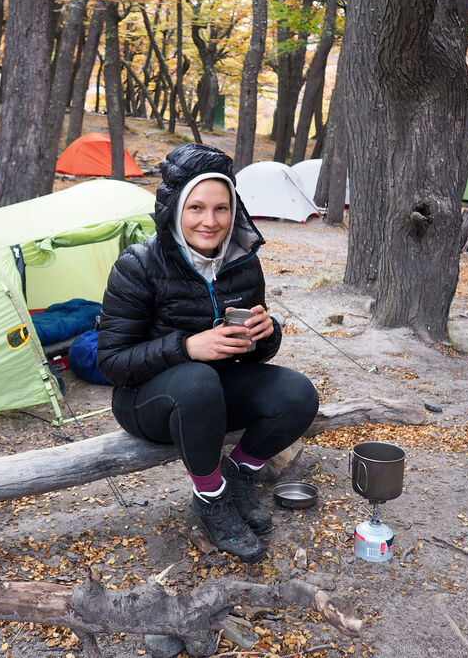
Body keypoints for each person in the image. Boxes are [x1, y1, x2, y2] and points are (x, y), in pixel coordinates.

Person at [97, 144, 319, 562]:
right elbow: (111, 363)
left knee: (297, 394)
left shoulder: (243, 262)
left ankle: (237, 474)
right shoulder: (138, 265)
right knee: (197, 380)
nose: (210, 221)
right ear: (175, 209)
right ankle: (211, 498)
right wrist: (186, 347)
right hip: (147, 401)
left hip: (212, 393)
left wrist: (264, 334)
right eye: (196, 208)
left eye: (222, 208)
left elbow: (249, 358)